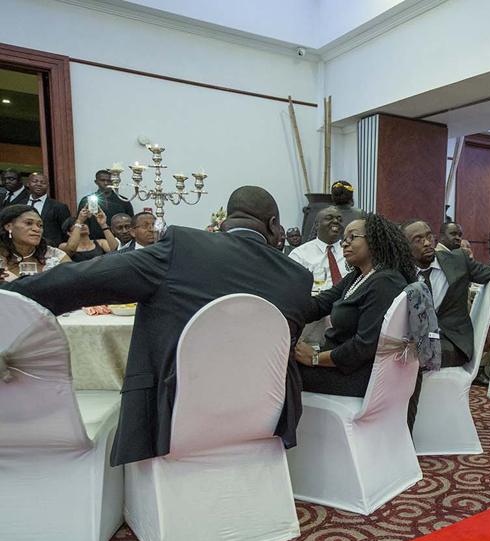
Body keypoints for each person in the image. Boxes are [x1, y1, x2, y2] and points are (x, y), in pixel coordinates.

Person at [6, 185, 312, 465]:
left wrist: (10, 299)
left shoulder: (185, 248)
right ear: (273, 225)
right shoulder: (298, 277)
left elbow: (84, 279)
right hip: (265, 413)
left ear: (223, 223)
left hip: (172, 410)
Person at [294, 213, 415, 397]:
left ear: (374, 240)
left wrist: (315, 358)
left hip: (358, 376)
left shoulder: (385, 282)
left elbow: (363, 347)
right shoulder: (358, 276)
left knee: (283, 373)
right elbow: (320, 305)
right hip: (341, 365)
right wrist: (285, 304)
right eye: (344, 239)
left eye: (352, 237)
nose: (344, 243)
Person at [402, 219, 490, 428]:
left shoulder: (457, 260)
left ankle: (405, 435)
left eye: (428, 236)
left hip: (453, 341)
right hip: (414, 339)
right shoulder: (400, 270)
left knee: (411, 360)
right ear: (405, 247)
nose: (427, 243)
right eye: (418, 239)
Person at [0, 204, 69, 281]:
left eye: (40, 225)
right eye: (29, 223)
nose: (37, 229)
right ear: (9, 226)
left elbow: (74, 284)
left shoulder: (55, 256)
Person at [288, 206, 347, 292]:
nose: (335, 221)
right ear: (316, 225)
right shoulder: (299, 255)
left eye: (339, 219)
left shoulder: (351, 251)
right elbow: (291, 286)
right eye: (329, 218)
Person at [76, 169, 133, 240]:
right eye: (102, 180)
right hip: (94, 242)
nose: (106, 183)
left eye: (109, 181)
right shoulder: (86, 200)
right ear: (96, 182)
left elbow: (132, 222)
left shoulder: (123, 200)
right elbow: (82, 222)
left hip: (120, 241)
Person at [23, 173, 70, 247]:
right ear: (28, 184)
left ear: (48, 186)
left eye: (43, 182)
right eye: (35, 181)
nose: (39, 184)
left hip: (50, 248)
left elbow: (67, 231)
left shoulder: (59, 207)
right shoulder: (19, 204)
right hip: (23, 246)